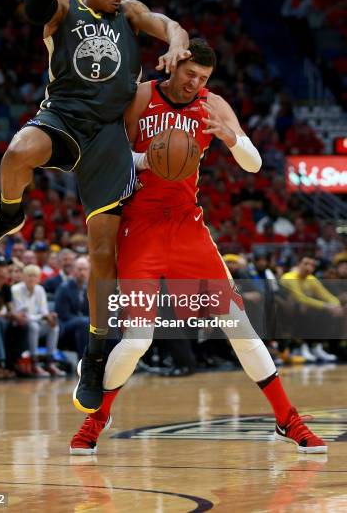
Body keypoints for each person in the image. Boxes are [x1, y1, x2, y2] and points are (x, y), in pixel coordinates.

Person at [0, 0, 190, 413]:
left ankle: (95, 352)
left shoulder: (128, 15)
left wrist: (174, 45)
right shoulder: (66, 7)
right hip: (62, 117)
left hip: (107, 137)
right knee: (18, 152)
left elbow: (170, 25)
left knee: (103, 252)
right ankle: (8, 214)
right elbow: (31, 5)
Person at [70, 39, 326, 455]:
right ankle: (98, 417)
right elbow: (102, 153)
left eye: (203, 78)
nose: (195, 84)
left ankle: (287, 418)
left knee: (240, 326)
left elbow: (255, 163)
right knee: (137, 339)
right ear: (174, 66)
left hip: (189, 228)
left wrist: (233, 138)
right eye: (190, 74)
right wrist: (143, 160)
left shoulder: (212, 104)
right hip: (142, 226)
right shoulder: (140, 96)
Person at [11, 265, 65, 377]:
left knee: (54, 327)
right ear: (23, 277)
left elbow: (44, 310)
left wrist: (50, 317)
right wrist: (43, 317)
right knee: (34, 326)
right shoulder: (15, 289)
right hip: (19, 325)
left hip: (35, 322)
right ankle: (34, 364)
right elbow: (22, 314)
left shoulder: (40, 289)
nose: (31, 279)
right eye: (29, 276)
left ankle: (50, 362)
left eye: (34, 276)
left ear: (39, 278)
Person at [55, 256, 90, 356]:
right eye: (80, 269)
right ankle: (83, 362)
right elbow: (63, 314)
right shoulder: (64, 288)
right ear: (74, 270)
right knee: (85, 322)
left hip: (85, 322)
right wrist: (84, 319)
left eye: (85, 269)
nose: (82, 272)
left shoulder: (91, 288)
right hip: (66, 324)